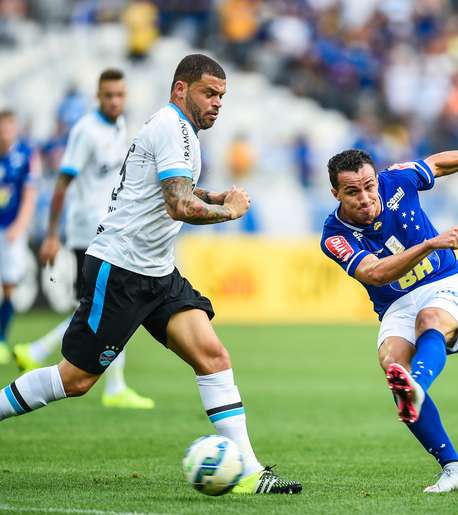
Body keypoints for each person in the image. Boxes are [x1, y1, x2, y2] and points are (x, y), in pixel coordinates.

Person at [0, 54, 301, 495]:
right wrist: (227, 210)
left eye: (222, 96)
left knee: (213, 356)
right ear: (181, 89)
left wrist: (210, 194)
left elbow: (170, 187)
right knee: (75, 380)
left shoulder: (181, 132)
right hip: (120, 270)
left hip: (157, 272)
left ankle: (249, 473)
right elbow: (178, 205)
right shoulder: (172, 128)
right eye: (209, 93)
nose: (217, 103)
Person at [320, 127, 458, 492]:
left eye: (369, 186)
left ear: (377, 180)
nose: (365, 197)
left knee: (428, 323)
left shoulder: (397, 180)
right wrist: (432, 242)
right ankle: (454, 470)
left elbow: (437, 164)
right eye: (352, 192)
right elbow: (374, 273)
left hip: (446, 283)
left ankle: (417, 387)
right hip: (396, 303)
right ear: (335, 194)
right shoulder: (334, 235)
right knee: (392, 363)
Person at [13, 69, 155, 410]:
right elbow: (62, 182)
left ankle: (38, 352)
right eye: (108, 96)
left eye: (120, 95)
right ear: (97, 96)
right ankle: (111, 385)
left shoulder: (120, 128)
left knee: (100, 306)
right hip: (87, 231)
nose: (115, 101)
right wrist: (51, 234)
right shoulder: (85, 131)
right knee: (106, 306)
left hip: (111, 227)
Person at [0, 110, 39, 364]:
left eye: (9, 127)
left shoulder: (25, 154)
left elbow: (30, 193)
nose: (6, 132)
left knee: (9, 285)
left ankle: (1, 340)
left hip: (11, 229)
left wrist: (20, 225)